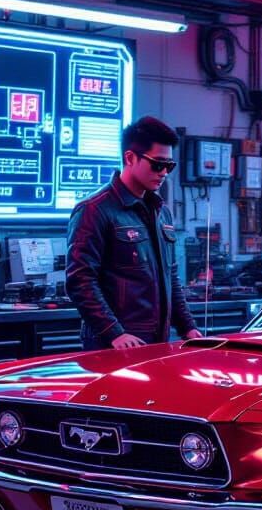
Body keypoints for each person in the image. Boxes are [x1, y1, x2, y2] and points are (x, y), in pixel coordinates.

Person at [66, 116, 203, 351]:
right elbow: (81, 280)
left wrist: (187, 327)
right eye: (157, 164)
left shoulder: (162, 213)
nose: (164, 173)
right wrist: (114, 333)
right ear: (130, 158)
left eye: (169, 166)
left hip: (157, 342)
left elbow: (170, 278)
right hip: (113, 345)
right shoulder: (94, 210)